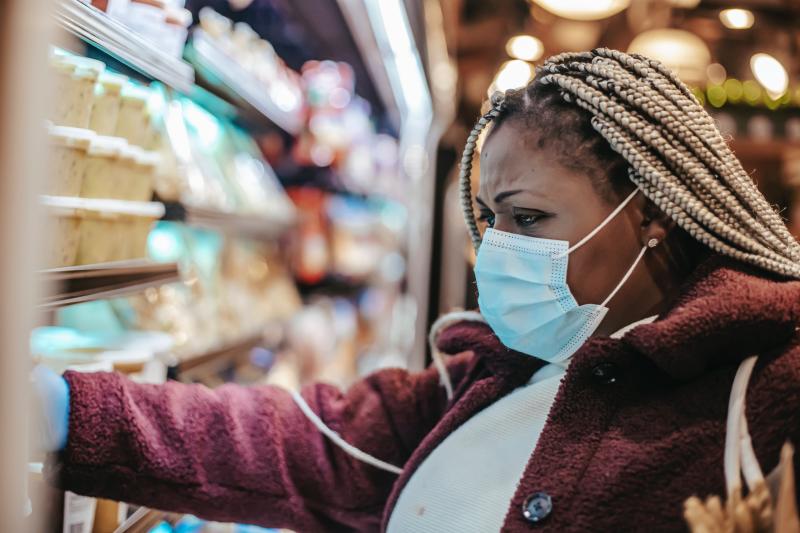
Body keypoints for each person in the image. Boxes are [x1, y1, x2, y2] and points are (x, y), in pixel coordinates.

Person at [36, 48, 800, 532]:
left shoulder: (767, 397)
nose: (500, 250)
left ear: (651, 217)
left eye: (529, 217)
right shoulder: (489, 377)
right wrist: (70, 409)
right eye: (491, 220)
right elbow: (300, 442)